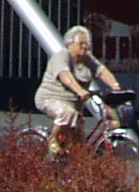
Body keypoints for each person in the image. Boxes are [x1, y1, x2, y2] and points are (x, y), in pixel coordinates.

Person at [36, 25, 123, 155]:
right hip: (51, 99)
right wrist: (79, 91)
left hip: (76, 106)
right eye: (81, 43)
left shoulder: (87, 58)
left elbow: (102, 71)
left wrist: (115, 86)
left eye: (87, 44)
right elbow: (65, 76)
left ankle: (70, 163)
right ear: (70, 43)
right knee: (67, 113)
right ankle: (52, 139)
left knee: (79, 144)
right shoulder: (62, 56)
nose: (85, 47)